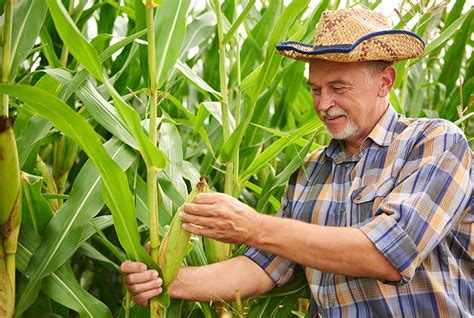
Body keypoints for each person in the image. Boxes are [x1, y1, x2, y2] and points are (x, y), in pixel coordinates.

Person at [121, 8, 473, 317]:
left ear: (385, 81)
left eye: (338, 87)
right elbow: (264, 267)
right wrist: (167, 281)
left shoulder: (434, 143)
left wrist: (252, 226)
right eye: (316, 90)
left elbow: (389, 255)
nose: (323, 104)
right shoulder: (311, 171)